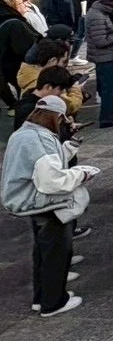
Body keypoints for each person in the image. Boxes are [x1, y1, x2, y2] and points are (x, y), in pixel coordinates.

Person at [0, 93, 97, 316]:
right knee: (56, 253)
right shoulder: (40, 140)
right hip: (45, 203)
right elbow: (51, 180)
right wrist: (82, 175)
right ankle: (53, 302)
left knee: (42, 251)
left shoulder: (24, 133)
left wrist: (71, 145)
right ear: (57, 117)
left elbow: (47, 162)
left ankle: (41, 298)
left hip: (27, 200)